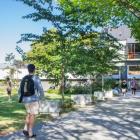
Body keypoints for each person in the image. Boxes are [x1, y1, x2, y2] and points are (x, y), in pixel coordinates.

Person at [18, 64, 44, 138]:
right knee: (32, 115)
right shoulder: (36, 78)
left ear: (28, 69)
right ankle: (30, 132)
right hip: (33, 100)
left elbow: (19, 90)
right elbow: (40, 90)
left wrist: (21, 98)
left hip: (25, 100)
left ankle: (25, 129)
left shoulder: (24, 78)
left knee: (28, 113)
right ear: (34, 69)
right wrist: (41, 98)